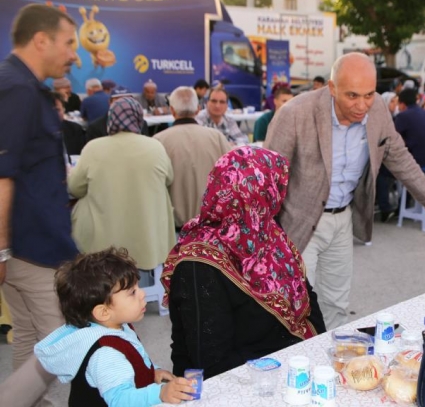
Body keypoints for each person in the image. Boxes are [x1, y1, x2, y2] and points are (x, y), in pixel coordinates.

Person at [264, 53, 425, 329]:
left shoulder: (377, 111)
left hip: (342, 219)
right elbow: (267, 178)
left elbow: (400, 158)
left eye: (369, 94)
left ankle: (329, 361)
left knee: (336, 304)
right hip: (299, 222)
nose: (362, 105)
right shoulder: (295, 113)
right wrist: (263, 237)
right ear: (331, 88)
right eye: (352, 95)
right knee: (293, 306)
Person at [161, 147, 326, 379]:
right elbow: (211, 361)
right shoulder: (199, 265)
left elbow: (309, 303)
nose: (280, 195)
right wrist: (287, 362)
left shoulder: (267, 234)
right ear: (259, 195)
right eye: (275, 187)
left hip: (288, 362)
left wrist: (315, 350)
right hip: (240, 381)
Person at [0, 4, 80, 404]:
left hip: (28, 247)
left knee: (31, 341)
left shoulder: (26, 87)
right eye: (68, 43)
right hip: (29, 250)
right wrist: (1, 252)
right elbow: (1, 175)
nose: (74, 54)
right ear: (41, 40)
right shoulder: (16, 89)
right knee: (61, 349)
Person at [34, 248, 196, 406]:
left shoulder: (117, 326)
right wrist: (160, 393)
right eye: (132, 292)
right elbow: (120, 400)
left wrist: (151, 371)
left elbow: (133, 360)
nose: (142, 294)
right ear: (103, 312)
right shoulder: (106, 354)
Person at [69, 97, 176, 280]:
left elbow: (74, 188)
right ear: (139, 118)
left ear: (111, 119)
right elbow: (169, 179)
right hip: (148, 234)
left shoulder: (93, 148)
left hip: (103, 239)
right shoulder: (155, 147)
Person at [153, 87, 232, 229]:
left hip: (176, 229)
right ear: (197, 109)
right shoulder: (217, 138)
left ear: (172, 110)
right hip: (212, 228)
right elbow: (232, 180)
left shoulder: (158, 141)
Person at [377, 88, 425, 221]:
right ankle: (403, 206)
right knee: (408, 164)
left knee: (382, 172)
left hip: (424, 170)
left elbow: (390, 140)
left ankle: (385, 210)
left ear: (402, 104)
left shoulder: (403, 116)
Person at [53, 92, 86, 156]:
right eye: (50, 110)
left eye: (57, 110)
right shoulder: (34, 132)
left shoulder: (75, 129)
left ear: (63, 110)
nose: (54, 113)